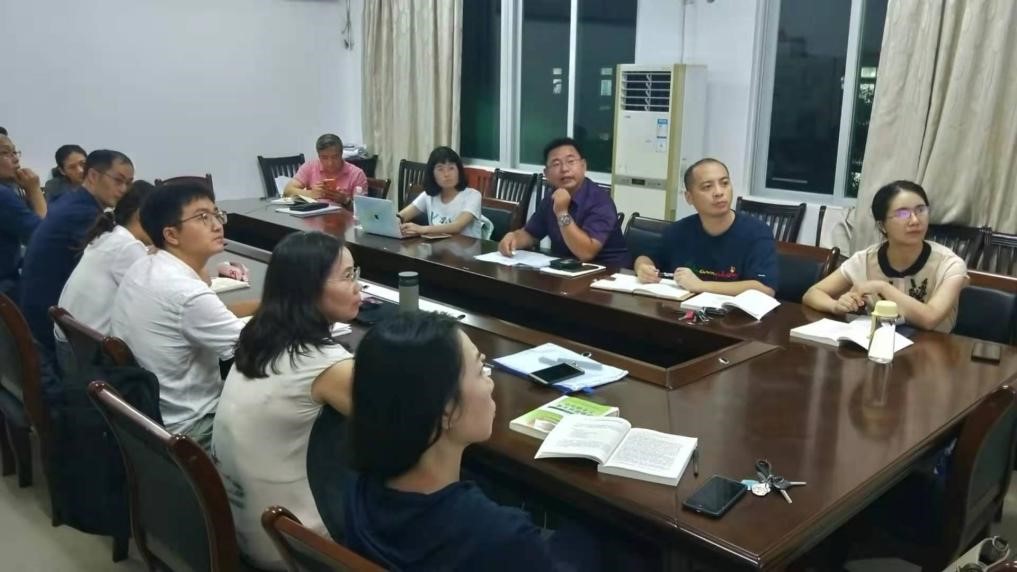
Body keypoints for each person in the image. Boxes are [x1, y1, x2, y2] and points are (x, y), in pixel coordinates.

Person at [345, 312, 602, 571]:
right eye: (480, 371)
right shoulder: (503, 537)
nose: (490, 383)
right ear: (447, 410)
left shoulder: (357, 492)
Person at [212, 231, 361, 570]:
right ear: (308, 288)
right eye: (347, 276)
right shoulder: (326, 365)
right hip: (293, 546)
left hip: (241, 524)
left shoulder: (260, 336)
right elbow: (404, 432)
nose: (357, 286)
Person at [111, 182, 258, 449]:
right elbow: (258, 350)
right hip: (194, 427)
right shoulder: (185, 292)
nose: (217, 225)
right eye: (203, 217)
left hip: (151, 417)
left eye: (216, 214)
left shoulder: (145, 264)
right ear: (171, 234)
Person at [803, 180, 967, 332]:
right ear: (882, 225)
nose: (915, 220)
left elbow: (930, 319)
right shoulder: (865, 260)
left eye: (921, 210)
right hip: (877, 346)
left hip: (932, 350)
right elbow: (812, 293)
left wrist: (882, 288)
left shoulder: (949, 264)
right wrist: (835, 305)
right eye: (903, 214)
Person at [20, 149, 132, 353]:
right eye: (118, 180)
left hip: (39, 311)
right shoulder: (83, 214)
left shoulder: (72, 201)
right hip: (50, 325)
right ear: (93, 176)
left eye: (129, 183)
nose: (124, 189)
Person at [633, 158, 778, 296]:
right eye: (707, 187)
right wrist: (642, 268)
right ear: (689, 197)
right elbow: (646, 258)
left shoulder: (756, 232)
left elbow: (765, 288)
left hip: (732, 312)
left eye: (725, 183)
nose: (719, 192)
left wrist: (701, 285)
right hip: (683, 310)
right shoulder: (678, 231)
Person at [53, 181, 154, 374]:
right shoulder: (128, 247)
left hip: (70, 345)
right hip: (89, 357)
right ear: (141, 215)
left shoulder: (110, 235)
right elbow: (157, 298)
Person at [498, 137, 629, 266]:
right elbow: (531, 234)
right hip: (566, 268)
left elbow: (586, 253)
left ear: (583, 166)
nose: (564, 169)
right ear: (547, 173)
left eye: (570, 161)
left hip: (608, 272)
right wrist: (514, 238)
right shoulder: (551, 198)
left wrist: (562, 213)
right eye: (556, 164)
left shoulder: (600, 201)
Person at [397, 146, 485, 238]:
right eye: (440, 169)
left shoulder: (473, 195)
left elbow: (457, 226)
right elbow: (402, 216)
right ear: (432, 174)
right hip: (437, 246)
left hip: (467, 247)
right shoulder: (428, 195)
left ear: (459, 171)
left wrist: (422, 229)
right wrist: (398, 223)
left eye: (451, 168)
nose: (446, 174)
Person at [0, 135, 47, 299]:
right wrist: (34, 190)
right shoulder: (2, 195)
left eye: (15, 152)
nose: (15, 159)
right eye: (5, 153)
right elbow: (45, 235)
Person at [284, 133, 368, 205]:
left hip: (343, 217)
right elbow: (287, 191)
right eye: (324, 157)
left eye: (335, 157)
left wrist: (345, 201)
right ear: (318, 156)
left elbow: (363, 209)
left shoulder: (357, 174)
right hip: (315, 215)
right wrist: (311, 193)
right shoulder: (310, 167)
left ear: (341, 154)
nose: (330, 163)